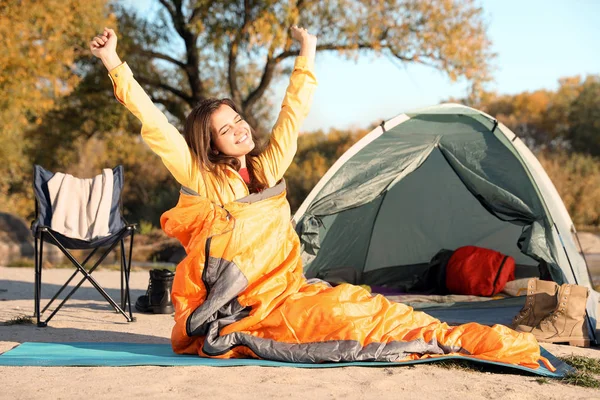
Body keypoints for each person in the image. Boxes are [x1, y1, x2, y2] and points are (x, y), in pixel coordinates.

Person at [90, 26, 317, 205]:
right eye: (226, 130)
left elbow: (293, 111)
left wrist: (307, 47)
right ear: (213, 146)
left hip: (279, 264)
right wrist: (111, 60)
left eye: (238, 120)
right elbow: (156, 123)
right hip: (229, 265)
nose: (239, 129)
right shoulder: (201, 178)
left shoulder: (268, 167)